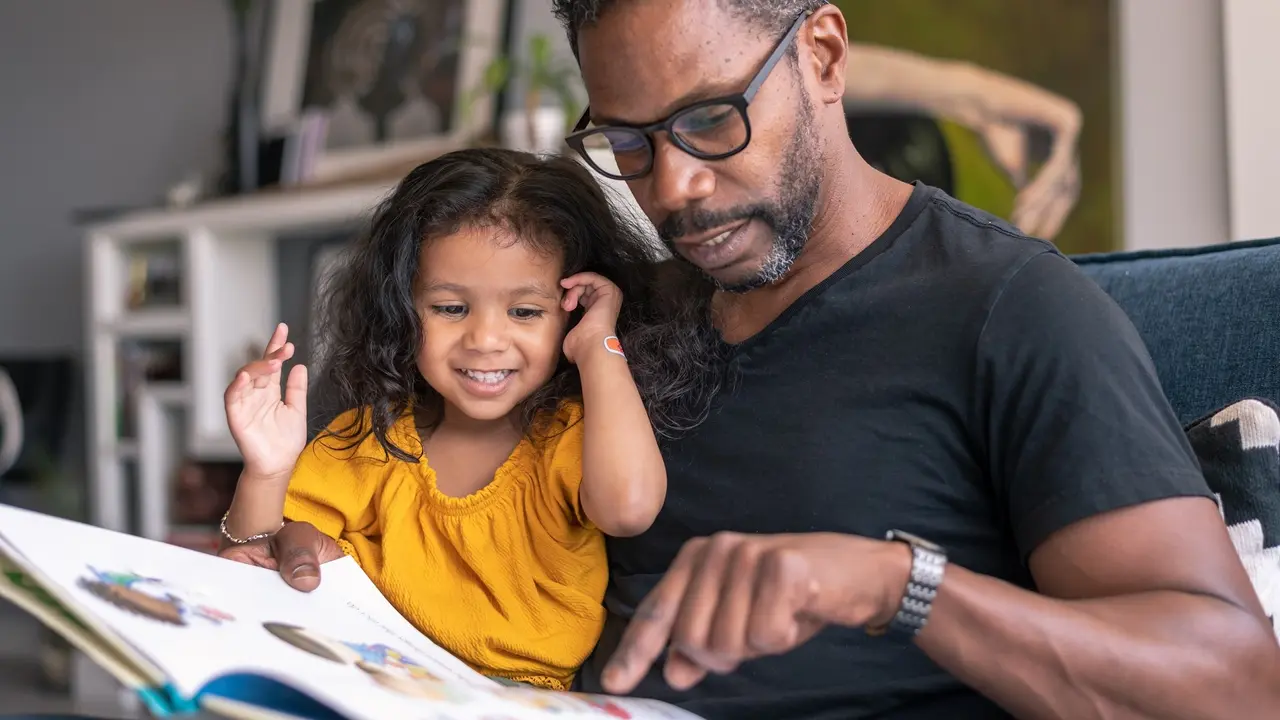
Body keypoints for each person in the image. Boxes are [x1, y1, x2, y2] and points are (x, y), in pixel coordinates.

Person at [251, 2, 1280, 719]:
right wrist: (292, 555)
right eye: (630, 142)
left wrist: (898, 584)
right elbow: (443, 511)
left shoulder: (1007, 312)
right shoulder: (608, 316)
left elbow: (1233, 691)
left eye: (709, 118)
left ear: (822, 55)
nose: (676, 188)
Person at [216, 148, 719, 691]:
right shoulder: (367, 440)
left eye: (525, 312)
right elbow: (254, 561)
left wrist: (599, 343)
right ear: (403, 311)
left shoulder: (571, 436)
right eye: (451, 308)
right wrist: (266, 471)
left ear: (570, 311)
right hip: (374, 681)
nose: (484, 340)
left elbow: (629, 510)